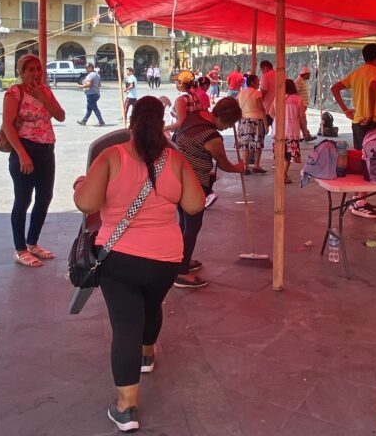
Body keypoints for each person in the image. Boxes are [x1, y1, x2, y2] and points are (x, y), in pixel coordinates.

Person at [73, 96, 205, 433]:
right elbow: (193, 205)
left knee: (125, 326)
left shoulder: (110, 157)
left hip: (118, 258)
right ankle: (147, 356)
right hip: (165, 258)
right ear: (162, 122)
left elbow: (86, 203)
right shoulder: (175, 160)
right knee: (152, 305)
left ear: (132, 121)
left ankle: (126, 408)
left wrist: (80, 185)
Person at [173, 97, 246, 288]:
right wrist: (239, 167)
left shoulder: (195, 116)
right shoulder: (211, 136)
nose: (229, 128)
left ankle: (180, 261)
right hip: (194, 184)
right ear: (226, 120)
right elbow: (225, 165)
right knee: (193, 226)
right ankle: (180, 273)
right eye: (230, 124)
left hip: (176, 178)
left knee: (184, 223)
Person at [3, 55, 66, 267]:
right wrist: (21, 154)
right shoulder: (14, 93)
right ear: (21, 72)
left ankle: (32, 242)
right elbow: (8, 126)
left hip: (47, 150)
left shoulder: (46, 91)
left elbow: (61, 115)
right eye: (29, 69)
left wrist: (43, 96)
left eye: (38, 68)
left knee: (44, 197)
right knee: (23, 200)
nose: (35, 73)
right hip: (26, 149)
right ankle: (20, 248)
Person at [331, 43, 376, 219]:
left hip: (357, 122)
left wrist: (346, 110)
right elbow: (372, 87)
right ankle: (360, 203)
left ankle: (358, 198)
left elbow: (335, 88)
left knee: (364, 158)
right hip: (368, 122)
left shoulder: (357, 72)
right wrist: (370, 114)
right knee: (368, 161)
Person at [236, 73, 267, 173]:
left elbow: (237, 105)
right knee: (258, 144)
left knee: (245, 144)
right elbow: (261, 109)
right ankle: (256, 165)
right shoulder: (257, 93)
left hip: (243, 120)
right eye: (258, 81)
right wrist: (266, 125)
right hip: (256, 121)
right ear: (253, 82)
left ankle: (245, 167)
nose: (259, 83)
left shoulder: (241, 93)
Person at [281, 78, 305, 185]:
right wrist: (305, 130)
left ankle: (282, 174)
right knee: (288, 155)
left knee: (281, 154)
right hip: (292, 130)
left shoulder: (279, 98)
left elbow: (272, 112)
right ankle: (283, 175)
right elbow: (302, 117)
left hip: (279, 131)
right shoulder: (298, 99)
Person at [295, 66, 314, 141]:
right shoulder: (299, 81)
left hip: (303, 104)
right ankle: (306, 135)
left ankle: (306, 135)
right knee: (302, 120)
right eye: (308, 74)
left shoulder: (301, 80)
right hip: (301, 105)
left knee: (301, 120)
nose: (309, 76)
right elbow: (295, 91)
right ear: (304, 74)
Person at [259, 60, 278, 131]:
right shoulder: (282, 75)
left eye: (262, 70)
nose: (262, 72)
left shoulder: (265, 76)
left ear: (265, 67)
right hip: (278, 109)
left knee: (262, 131)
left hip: (267, 108)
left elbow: (263, 92)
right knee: (277, 132)